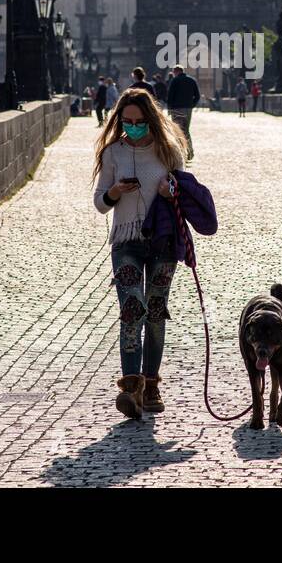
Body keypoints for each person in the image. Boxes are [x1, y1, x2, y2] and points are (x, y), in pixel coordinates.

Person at [93, 88, 189, 419]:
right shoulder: (112, 153)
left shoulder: (168, 150)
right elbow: (98, 203)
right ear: (119, 120)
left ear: (151, 120)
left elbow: (184, 189)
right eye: (127, 121)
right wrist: (115, 191)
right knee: (133, 307)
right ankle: (131, 387)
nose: (133, 127)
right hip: (126, 242)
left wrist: (169, 190)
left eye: (139, 122)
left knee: (156, 312)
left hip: (162, 240)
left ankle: (151, 385)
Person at [165, 65, 200, 162]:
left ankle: (180, 153)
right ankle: (190, 153)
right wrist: (192, 105)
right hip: (188, 108)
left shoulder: (175, 81)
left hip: (177, 109)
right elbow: (197, 95)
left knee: (177, 131)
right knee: (186, 130)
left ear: (176, 71)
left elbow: (170, 95)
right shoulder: (192, 80)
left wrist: (169, 108)